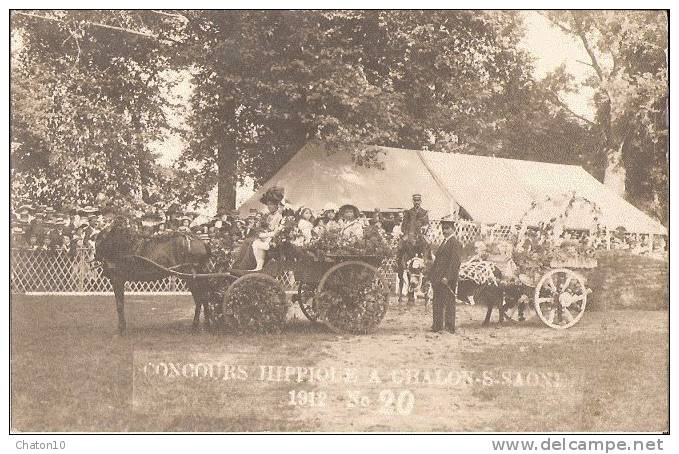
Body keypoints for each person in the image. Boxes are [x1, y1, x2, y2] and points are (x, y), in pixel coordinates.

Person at [428, 215, 462, 333]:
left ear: (453, 229)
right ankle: (437, 325)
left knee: (449, 302)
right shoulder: (443, 242)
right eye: (443, 228)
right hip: (438, 278)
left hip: (447, 279)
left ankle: (449, 326)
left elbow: (455, 262)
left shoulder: (455, 243)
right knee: (437, 301)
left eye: (447, 228)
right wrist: (431, 275)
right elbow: (437, 261)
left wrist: (447, 277)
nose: (444, 231)